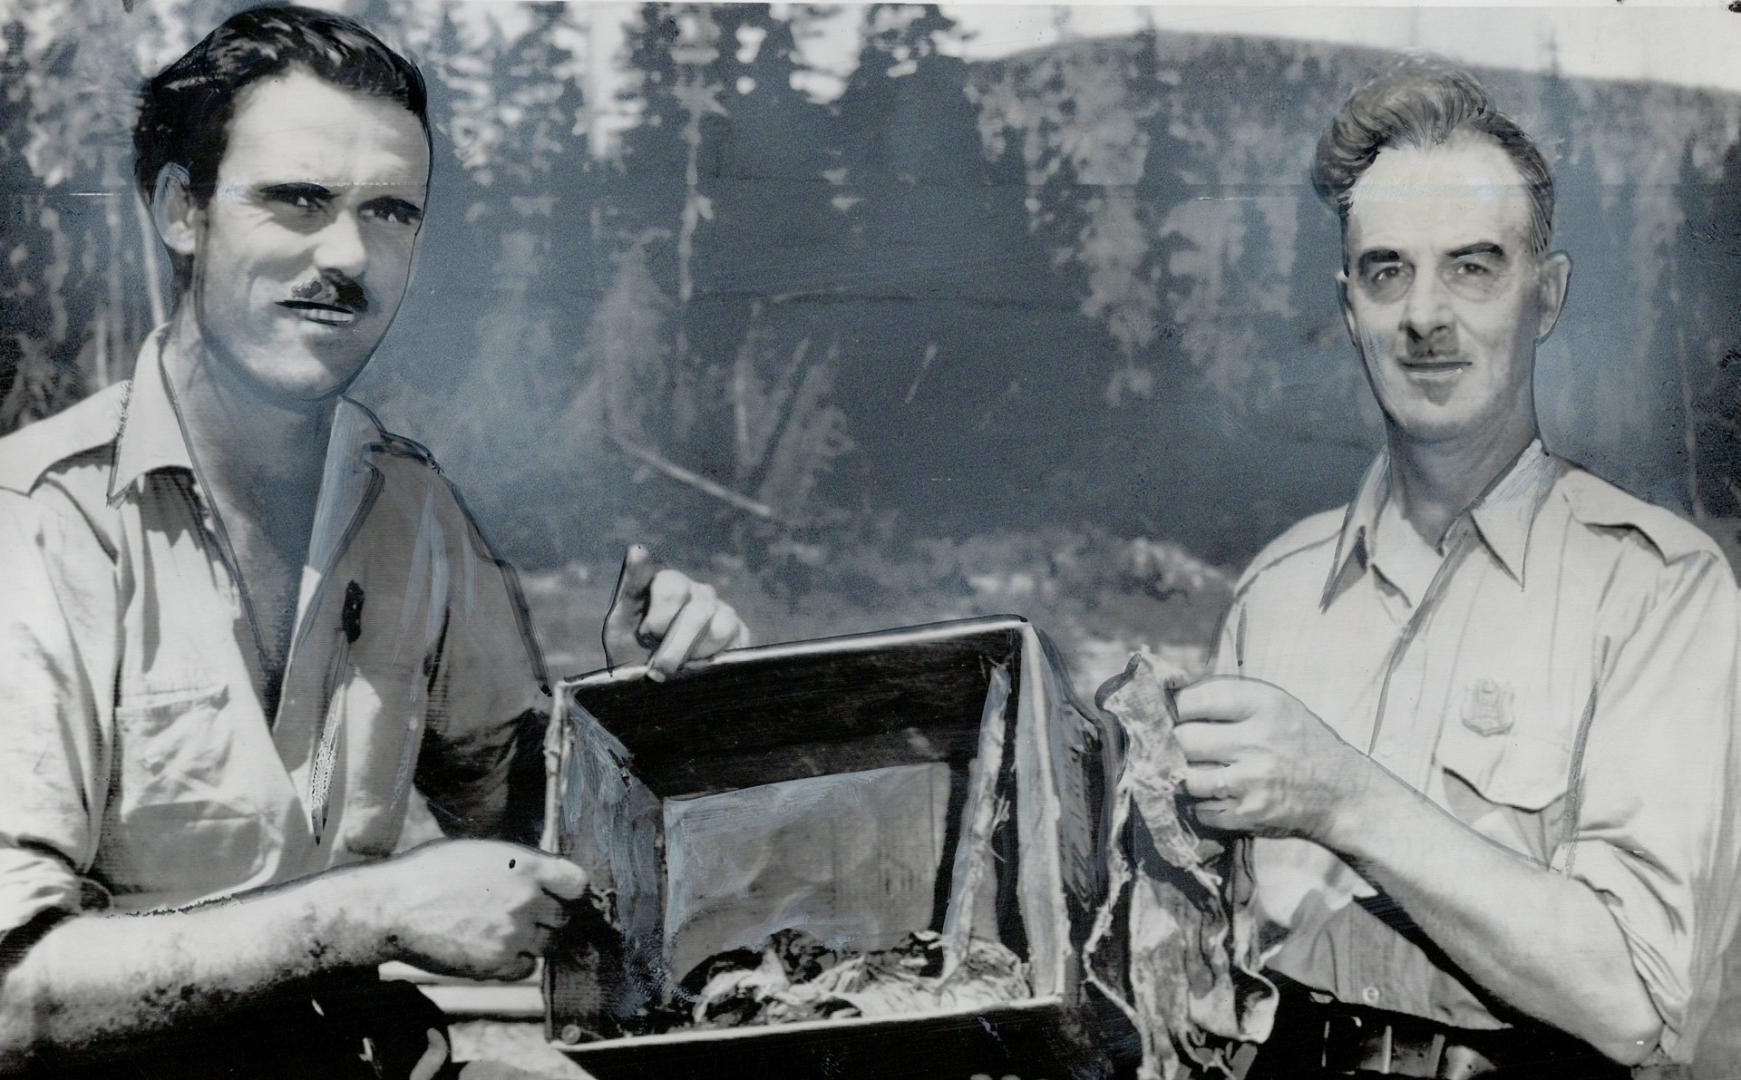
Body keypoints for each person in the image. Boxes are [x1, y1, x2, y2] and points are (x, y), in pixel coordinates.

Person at [0, 7, 747, 1077]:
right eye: (298, 200)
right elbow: (11, 1005)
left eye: (390, 213)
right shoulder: (36, 525)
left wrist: (641, 703)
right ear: (180, 210)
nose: (346, 255)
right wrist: (365, 914)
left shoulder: (409, 509)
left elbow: (531, 829)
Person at [1171, 58, 1741, 1077]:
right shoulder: (1276, 593)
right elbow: (1213, 962)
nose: (1424, 315)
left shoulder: (1660, 590)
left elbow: (1632, 1000)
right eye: (1387, 271)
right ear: (1348, 306)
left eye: (1472, 267)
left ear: (1547, 294)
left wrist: (1340, 794)